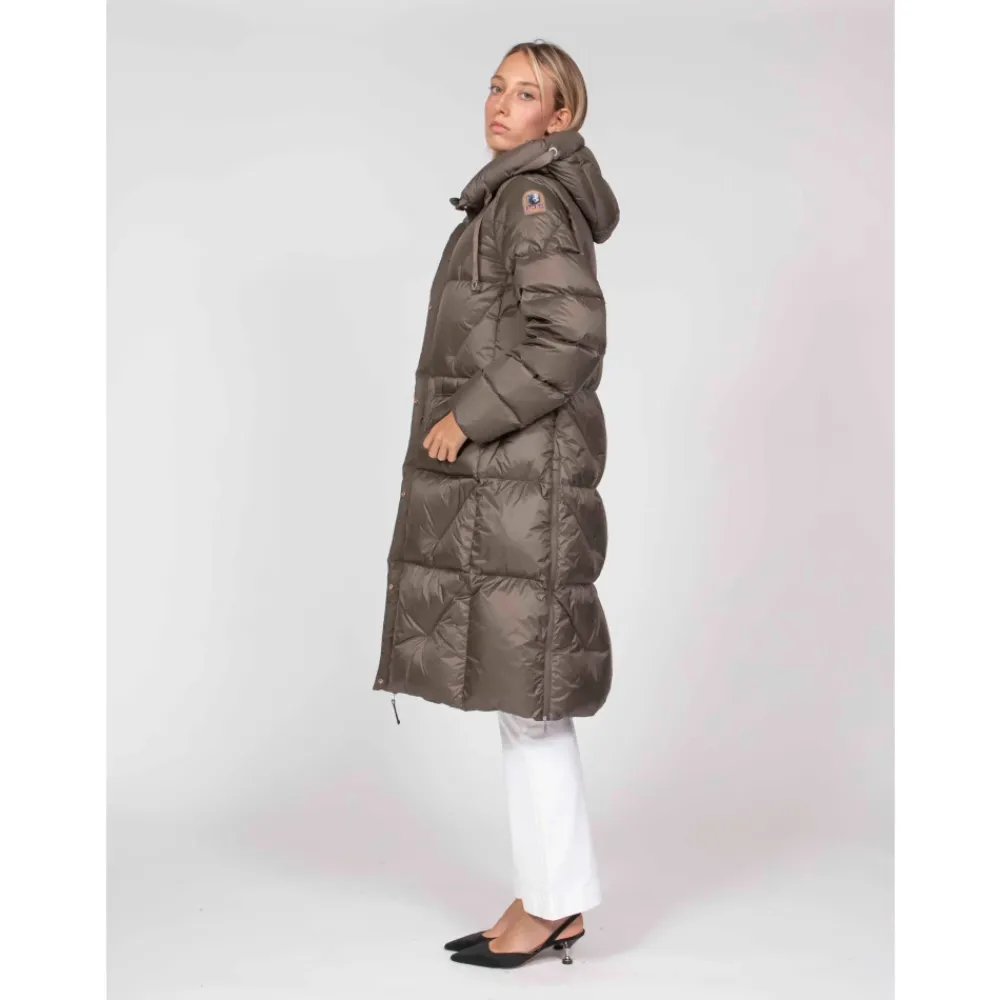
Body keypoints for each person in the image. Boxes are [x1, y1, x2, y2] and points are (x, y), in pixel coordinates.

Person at [372, 39, 620, 970]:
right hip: (517, 480)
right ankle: (553, 894)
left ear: (560, 117)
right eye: (496, 87)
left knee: (532, 699)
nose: (501, 104)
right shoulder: (511, 197)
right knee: (528, 699)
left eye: (525, 93)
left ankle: (553, 904)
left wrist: (465, 418)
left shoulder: (530, 200)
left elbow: (570, 338)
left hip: (522, 479)